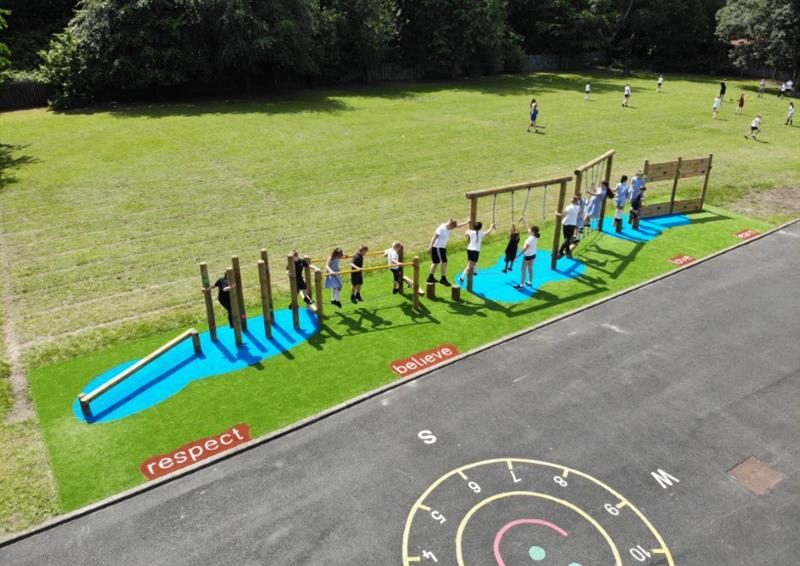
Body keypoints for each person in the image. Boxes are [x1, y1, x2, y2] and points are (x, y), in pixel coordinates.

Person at [427, 218, 467, 287]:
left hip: (440, 247)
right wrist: (430, 247)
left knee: (436, 262)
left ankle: (430, 277)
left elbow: (457, 226)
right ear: (450, 225)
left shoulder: (448, 227)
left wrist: (466, 222)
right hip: (438, 247)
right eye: (452, 227)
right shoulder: (441, 228)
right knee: (444, 261)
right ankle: (443, 278)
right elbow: (434, 237)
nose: (453, 229)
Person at [516, 224, 540, 289]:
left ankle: (521, 285)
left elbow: (524, 249)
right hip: (533, 255)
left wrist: (517, 256)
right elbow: (528, 228)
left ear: (532, 232)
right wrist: (523, 220)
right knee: (530, 268)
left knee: (523, 270)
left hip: (527, 256)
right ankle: (530, 282)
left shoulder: (529, 240)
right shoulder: (536, 236)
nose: (529, 231)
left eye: (530, 230)